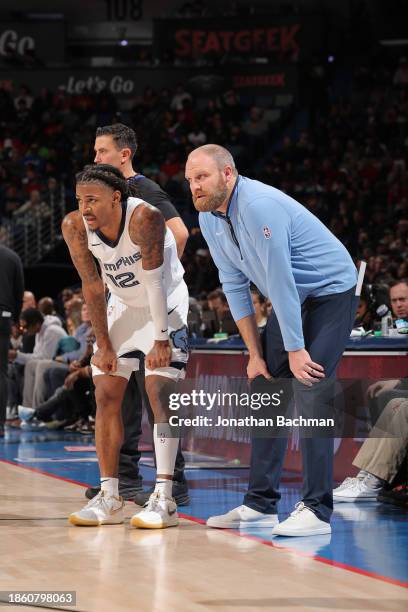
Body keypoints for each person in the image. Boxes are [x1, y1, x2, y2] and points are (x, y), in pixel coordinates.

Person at [185, 144, 359, 537]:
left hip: (331, 291)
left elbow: (280, 281)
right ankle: (260, 505)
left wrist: (296, 350)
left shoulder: (258, 205)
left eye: (202, 177)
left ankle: (316, 510)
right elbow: (233, 284)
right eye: (190, 180)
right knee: (266, 387)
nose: (194, 186)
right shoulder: (208, 218)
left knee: (311, 385)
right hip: (290, 298)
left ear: (227, 175)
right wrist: (254, 355)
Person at [62, 164, 189, 528]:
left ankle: (165, 498)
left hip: (164, 302)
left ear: (116, 197)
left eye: (93, 200)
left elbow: (154, 283)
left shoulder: (144, 218)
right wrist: (101, 345)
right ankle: (110, 495)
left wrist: (161, 339)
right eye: (79, 199)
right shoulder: (75, 227)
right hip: (123, 305)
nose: (84, 208)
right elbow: (93, 287)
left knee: (158, 389)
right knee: (105, 392)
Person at [91, 122, 190, 505]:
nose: (96, 157)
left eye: (102, 151)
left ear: (124, 155)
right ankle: (124, 477)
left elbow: (179, 234)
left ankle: (172, 482)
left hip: (155, 303)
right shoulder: (101, 200)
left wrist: (154, 280)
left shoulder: (144, 190)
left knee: (157, 391)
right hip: (123, 306)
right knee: (118, 394)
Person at [0, 244, 24, 436]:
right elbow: (19, 291)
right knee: (1, 372)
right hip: (4, 316)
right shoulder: (12, 256)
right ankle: (0, 425)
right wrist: (14, 318)